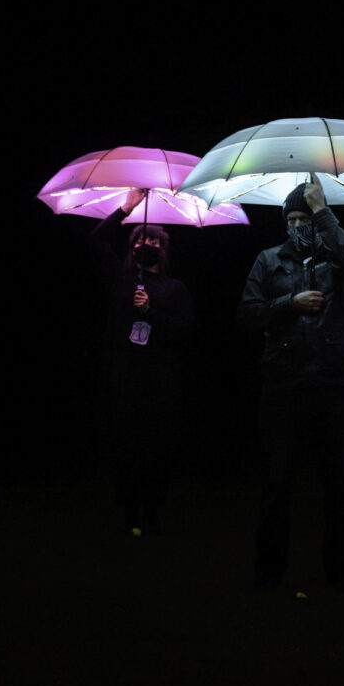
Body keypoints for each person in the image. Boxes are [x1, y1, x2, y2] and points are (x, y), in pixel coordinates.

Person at [237, 176, 344, 594]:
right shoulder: (269, 259)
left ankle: (341, 576)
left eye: (303, 217)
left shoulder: (338, 257)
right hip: (284, 384)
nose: (296, 225)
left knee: (339, 487)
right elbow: (248, 314)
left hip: (332, 382)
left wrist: (322, 209)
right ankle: (268, 573)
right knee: (276, 484)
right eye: (290, 218)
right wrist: (288, 304)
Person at [90, 189, 194, 537]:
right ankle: (129, 511)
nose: (144, 243)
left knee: (156, 448)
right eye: (139, 239)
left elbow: (184, 330)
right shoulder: (121, 279)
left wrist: (153, 313)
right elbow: (96, 239)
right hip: (123, 378)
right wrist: (127, 208)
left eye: (151, 239)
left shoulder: (174, 288)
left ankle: (152, 511)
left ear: (162, 248)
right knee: (125, 445)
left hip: (160, 382)